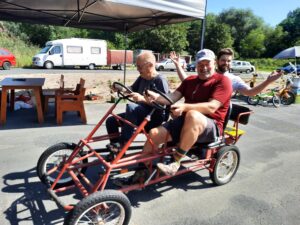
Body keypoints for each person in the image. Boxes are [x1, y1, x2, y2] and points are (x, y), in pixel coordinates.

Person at [140, 49, 232, 176]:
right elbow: (172, 97)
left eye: (207, 64)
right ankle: (141, 171)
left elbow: (212, 107)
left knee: (192, 115)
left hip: (211, 126)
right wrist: (155, 96)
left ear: (214, 63)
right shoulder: (190, 81)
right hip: (186, 121)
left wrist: (184, 107)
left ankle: (175, 162)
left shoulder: (222, 81)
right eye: (200, 64)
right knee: (154, 133)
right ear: (196, 65)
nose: (204, 67)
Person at [105, 51, 169, 152]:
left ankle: (123, 143)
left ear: (150, 65)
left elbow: (163, 103)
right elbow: (132, 89)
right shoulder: (142, 77)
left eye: (139, 66)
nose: (137, 69)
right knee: (111, 121)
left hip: (153, 118)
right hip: (139, 114)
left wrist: (142, 99)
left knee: (131, 108)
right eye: (137, 66)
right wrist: (120, 88)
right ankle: (116, 149)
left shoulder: (160, 80)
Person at [170, 48, 282, 96]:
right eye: (223, 60)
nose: (226, 63)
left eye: (229, 61)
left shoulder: (234, 79)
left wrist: (268, 81)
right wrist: (177, 66)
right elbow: (187, 81)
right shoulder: (206, 73)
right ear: (216, 61)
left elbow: (250, 92)